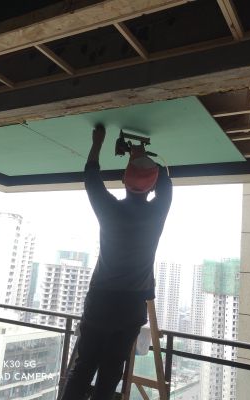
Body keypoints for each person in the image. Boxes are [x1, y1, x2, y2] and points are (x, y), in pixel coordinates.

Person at [60, 124, 172, 400]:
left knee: (83, 367)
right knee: (111, 372)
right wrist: (141, 156)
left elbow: (91, 176)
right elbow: (166, 183)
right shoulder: (157, 213)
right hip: (132, 306)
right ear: (152, 186)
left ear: (124, 180)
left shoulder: (110, 210)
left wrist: (98, 142)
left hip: (102, 300)